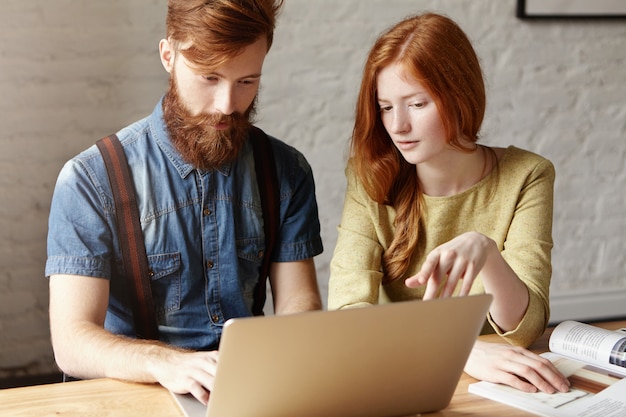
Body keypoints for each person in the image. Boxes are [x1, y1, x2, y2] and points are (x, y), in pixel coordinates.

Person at [46, 0, 323, 405]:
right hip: (135, 393)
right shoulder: (91, 179)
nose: (228, 104)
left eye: (247, 81)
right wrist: (167, 364)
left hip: (246, 394)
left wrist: (288, 351)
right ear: (168, 56)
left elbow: (300, 301)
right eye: (209, 77)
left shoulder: (286, 171)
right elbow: (72, 342)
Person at [328, 12, 571, 394]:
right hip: (402, 370)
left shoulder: (528, 174)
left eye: (417, 104)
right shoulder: (368, 177)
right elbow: (346, 313)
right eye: (386, 107)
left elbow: (525, 328)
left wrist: (487, 252)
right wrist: (460, 351)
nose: (397, 126)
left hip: (498, 381)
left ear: (460, 96)